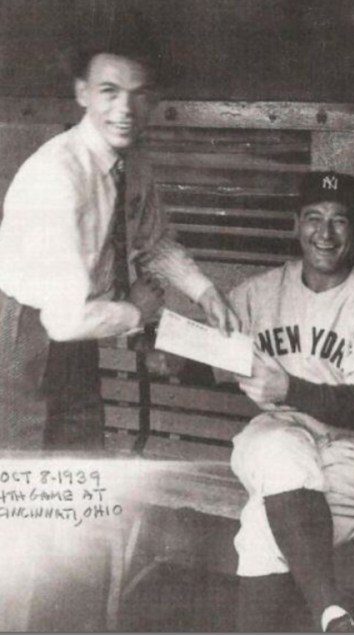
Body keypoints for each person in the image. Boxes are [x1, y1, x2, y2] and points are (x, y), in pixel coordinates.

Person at [0, 19, 238, 451]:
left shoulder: (133, 163)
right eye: (109, 91)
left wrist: (205, 292)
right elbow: (63, 319)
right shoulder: (59, 177)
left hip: (78, 326)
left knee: (81, 451)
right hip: (24, 333)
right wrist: (134, 311)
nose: (125, 109)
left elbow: (154, 239)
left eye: (138, 93)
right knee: (26, 465)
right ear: (82, 93)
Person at [228, 171, 354, 632]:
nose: (324, 234)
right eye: (313, 218)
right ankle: (332, 614)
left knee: (263, 527)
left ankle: (326, 614)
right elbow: (209, 355)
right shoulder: (258, 292)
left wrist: (288, 389)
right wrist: (169, 353)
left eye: (339, 221)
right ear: (296, 224)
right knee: (276, 447)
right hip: (283, 434)